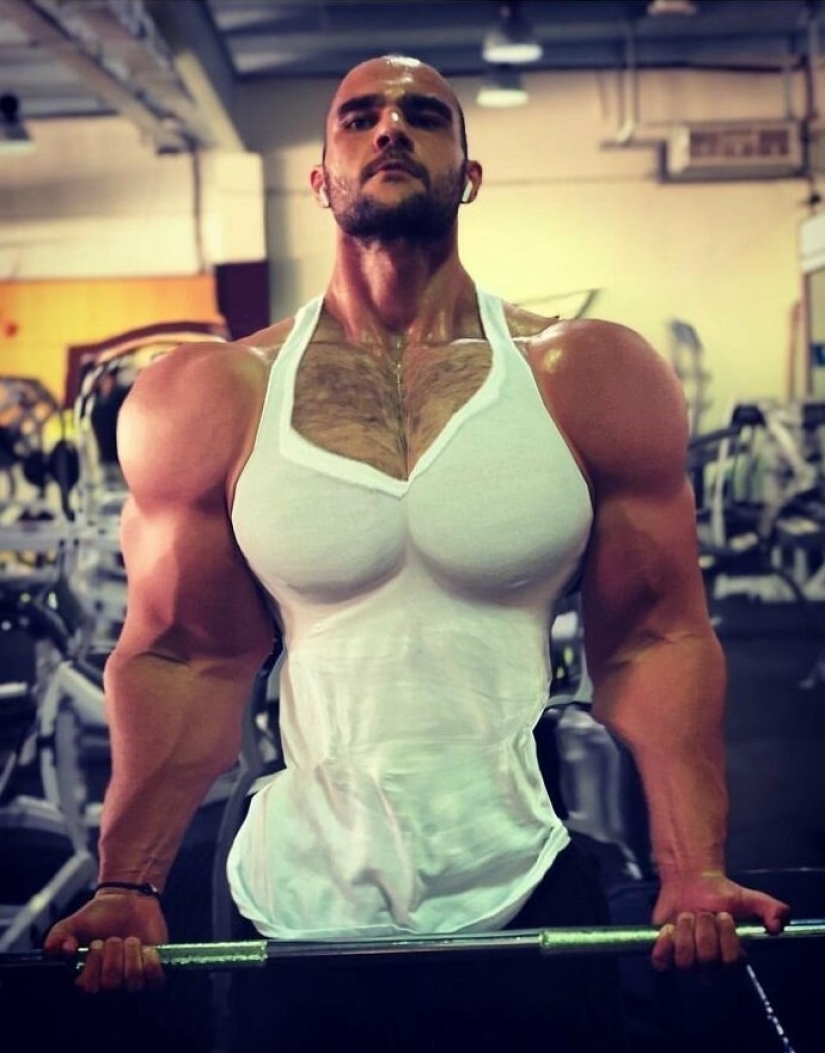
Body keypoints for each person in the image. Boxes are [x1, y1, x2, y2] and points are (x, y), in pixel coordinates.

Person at [44, 53, 790, 1051]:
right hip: (293, 891)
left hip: (523, 870)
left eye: (423, 116)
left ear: (469, 176)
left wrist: (691, 865)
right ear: (320, 180)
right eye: (359, 118)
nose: (390, 129)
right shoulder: (214, 395)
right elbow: (185, 653)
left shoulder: (585, 375)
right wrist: (129, 881)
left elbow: (655, 637)